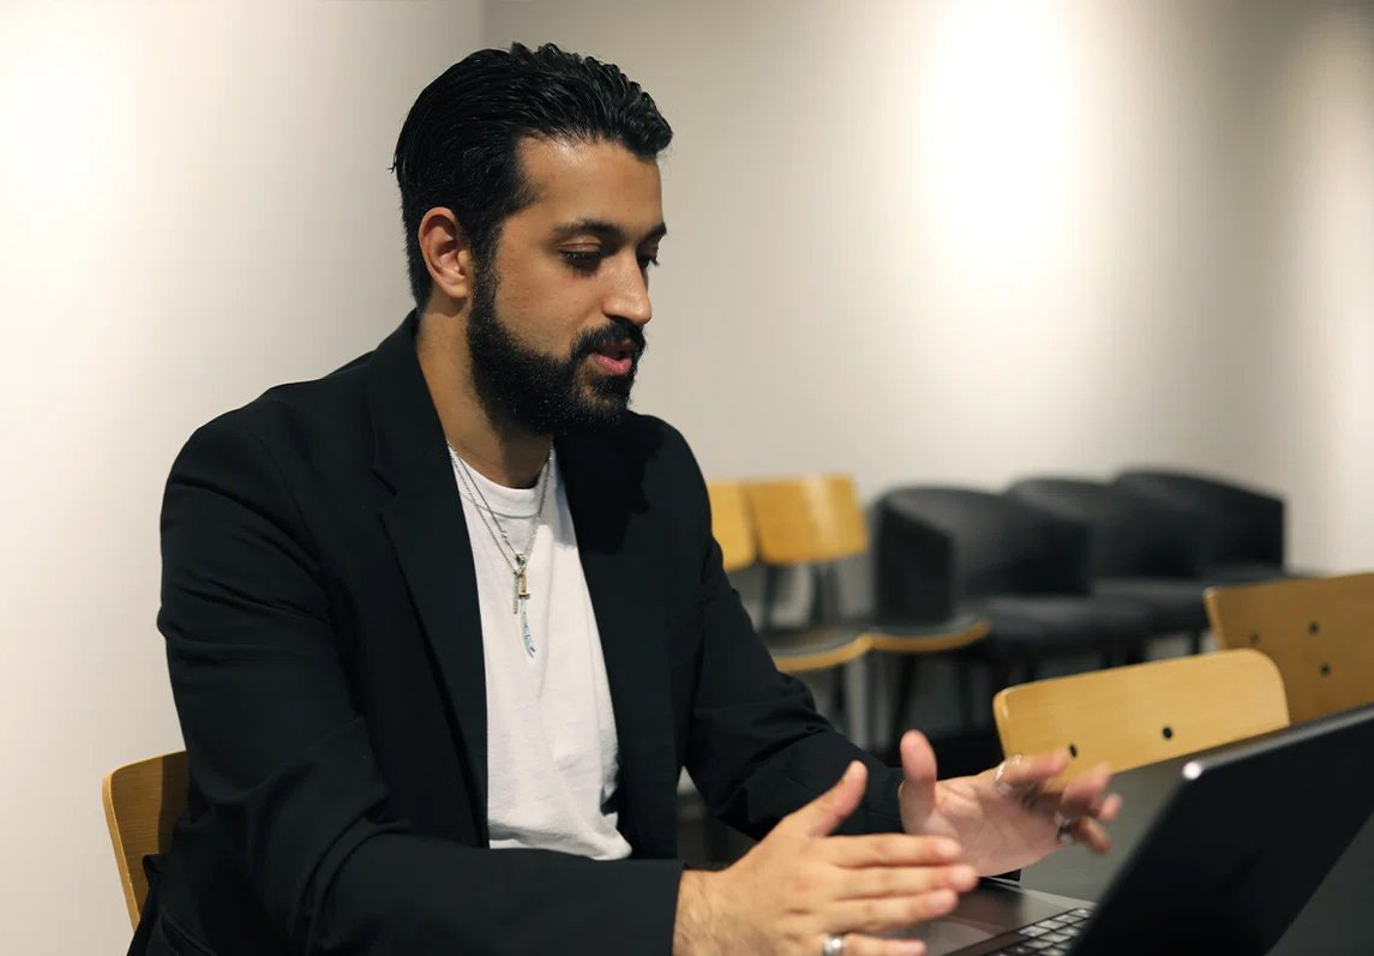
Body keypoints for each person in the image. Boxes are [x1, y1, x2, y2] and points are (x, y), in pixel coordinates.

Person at [137, 42, 1119, 956]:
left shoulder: (642, 472)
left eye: (644, 255)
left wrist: (915, 824)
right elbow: (329, 879)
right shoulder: (263, 482)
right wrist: (699, 915)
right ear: (451, 253)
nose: (636, 301)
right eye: (585, 254)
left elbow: (757, 739)